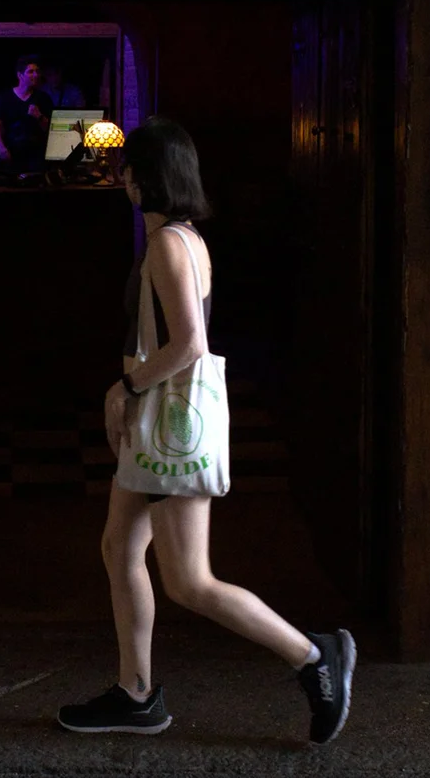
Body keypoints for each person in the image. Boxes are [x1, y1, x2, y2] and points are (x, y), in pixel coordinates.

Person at [57, 116, 355, 743]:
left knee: (191, 581)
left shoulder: (168, 245)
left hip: (164, 423)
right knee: (119, 548)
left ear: (145, 177)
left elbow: (190, 343)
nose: (122, 179)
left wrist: (126, 387)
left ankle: (314, 656)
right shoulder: (186, 237)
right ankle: (135, 693)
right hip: (155, 425)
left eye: (128, 169)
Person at [0, 56, 51, 173]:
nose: (36, 75)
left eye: (37, 71)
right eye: (31, 72)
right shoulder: (4, 98)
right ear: (20, 75)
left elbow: (50, 129)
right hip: (11, 153)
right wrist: (1, 148)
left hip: (35, 157)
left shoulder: (43, 98)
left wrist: (39, 116)